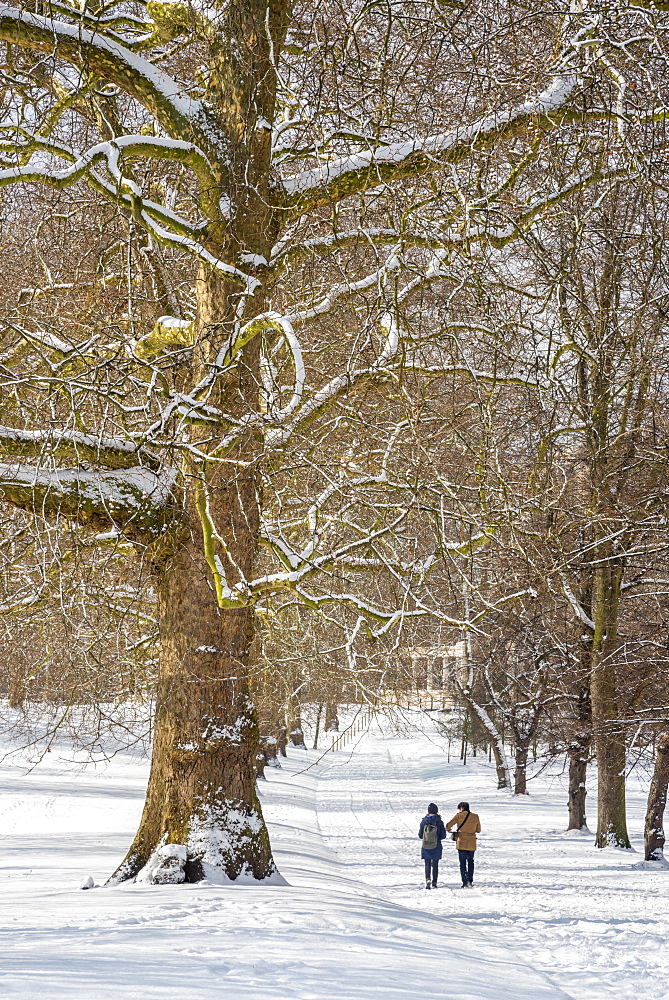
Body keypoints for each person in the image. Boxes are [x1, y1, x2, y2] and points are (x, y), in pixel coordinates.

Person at [446, 801, 481, 887]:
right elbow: (478, 830)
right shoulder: (475, 816)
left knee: (462, 863)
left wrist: (449, 830)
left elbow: (448, 825)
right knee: (470, 861)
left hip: (461, 841)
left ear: (461, 808)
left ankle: (464, 882)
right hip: (471, 842)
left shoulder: (459, 816)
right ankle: (470, 880)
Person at [418, 802, 446, 889]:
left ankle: (427, 878)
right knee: (435, 864)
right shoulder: (439, 822)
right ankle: (434, 882)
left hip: (426, 844)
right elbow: (443, 835)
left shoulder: (424, 821)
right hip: (436, 845)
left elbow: (420, 835)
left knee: (427, 863)